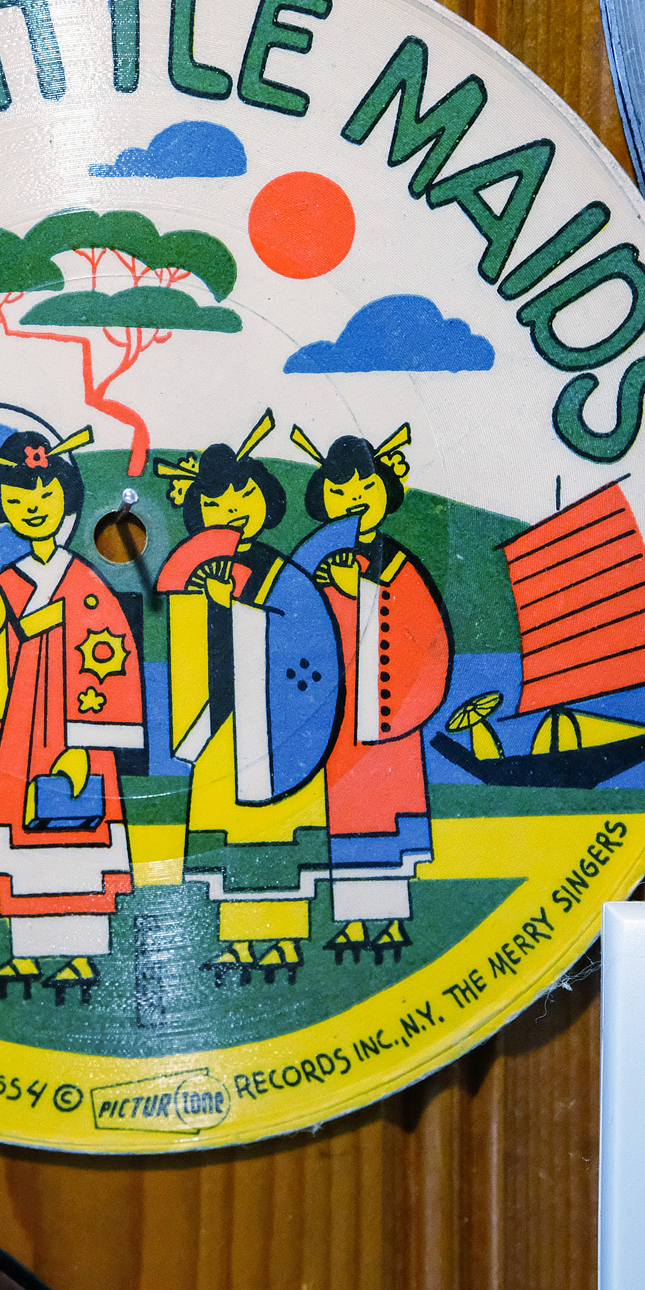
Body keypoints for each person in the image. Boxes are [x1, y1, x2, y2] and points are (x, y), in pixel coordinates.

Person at [0, 426, 144, 1005]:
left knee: (78, 836)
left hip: (74, 738)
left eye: (46, 496)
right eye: (20, 499)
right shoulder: (2, 587)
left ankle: (80, 952)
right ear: (2, 507)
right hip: (21, 738)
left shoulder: (84, 583)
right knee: (23, 839)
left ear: (66, 501)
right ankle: (27, 948)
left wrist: (84, 746)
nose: (34, 508)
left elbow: (111, 658)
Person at [156, 413, 340, 984]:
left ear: (266, 500)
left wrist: (235, 606)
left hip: (278, 722)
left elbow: (308, 635)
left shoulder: (283, 574)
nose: (230, 511)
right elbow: (188, 653)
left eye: (242, 496)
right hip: (222, 726)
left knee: (278, 832)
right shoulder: (201, 573)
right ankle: (238, 938)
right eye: (214, 504)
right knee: (228, 836)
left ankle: (283, 937)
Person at [289, 423, 452, 963]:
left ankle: (389, 918)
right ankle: (356, 918)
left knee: (387, 809)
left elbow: (427, 637)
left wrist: (362, 591)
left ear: (386, 490)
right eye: (339, 491)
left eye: (365, 488)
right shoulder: (314, 564)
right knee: (345, 814)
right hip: (338, 717)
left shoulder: (396, 563)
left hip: (386, 715)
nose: (353, 499)